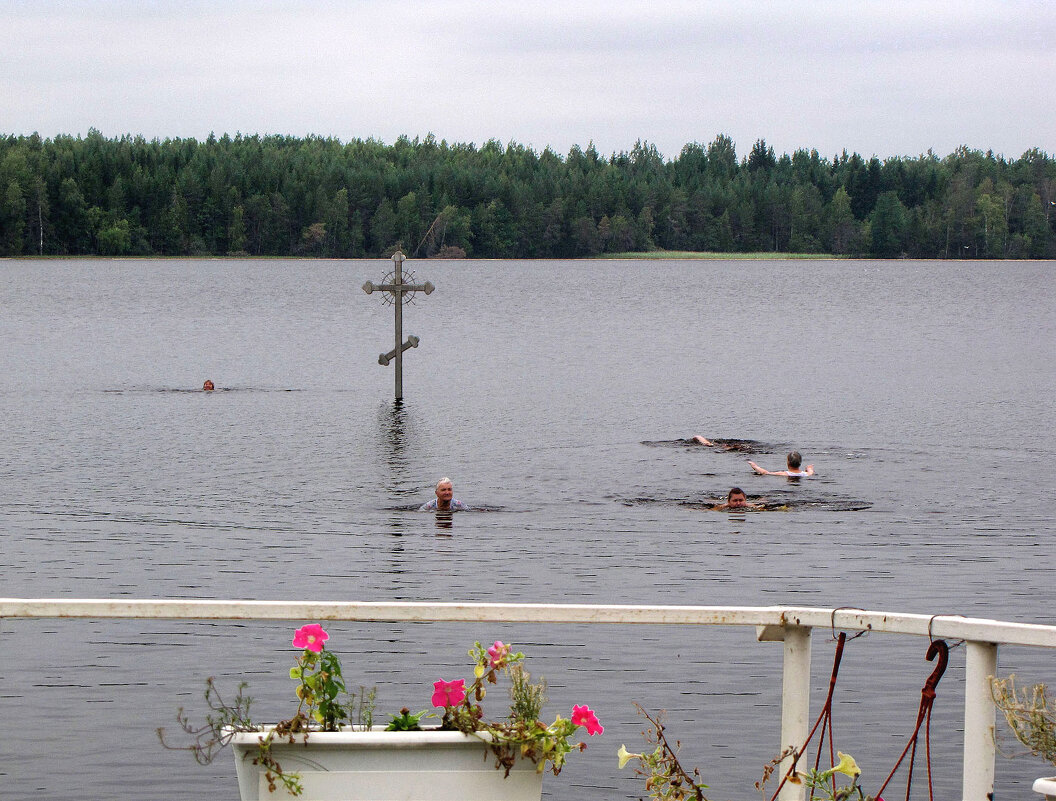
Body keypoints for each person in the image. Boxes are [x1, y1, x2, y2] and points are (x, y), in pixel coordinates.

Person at [749, 451, 814, 477]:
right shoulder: (807, 474)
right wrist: (808, 468)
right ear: (800, 462)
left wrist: (755, 466)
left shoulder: (783, 474)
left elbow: (766, 473)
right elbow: (810, 471)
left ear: (788, 463)